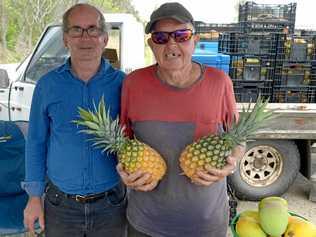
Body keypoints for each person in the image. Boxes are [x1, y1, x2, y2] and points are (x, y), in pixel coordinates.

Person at [116, 2, 245, 237]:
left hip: (206, 223)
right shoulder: (133, 84)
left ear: (194, 41)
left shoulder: (219, 83)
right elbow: (122, 142)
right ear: (151, 45)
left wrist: (232, 161)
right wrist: (123, 171)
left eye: (181, 35)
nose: (172, 45)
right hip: (145, 223)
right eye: (161, 37)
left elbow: (238, 138)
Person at [22, 3, 127, 237]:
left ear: (104, 38)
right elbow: (36, 142)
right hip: (61, 205)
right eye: (76, 30)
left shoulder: (124, 84)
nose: (85, 37)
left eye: (92, 29)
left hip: (111, 204)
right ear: (65, 39)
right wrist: (34, 197)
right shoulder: (48, 85)